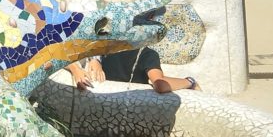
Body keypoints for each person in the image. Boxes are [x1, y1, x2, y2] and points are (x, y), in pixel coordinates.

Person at [67, 47, 200, 94]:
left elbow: (60, 54)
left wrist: (79, 68)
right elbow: (160, 85)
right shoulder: (147, 54)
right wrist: (189, 82)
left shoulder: (107, 47)